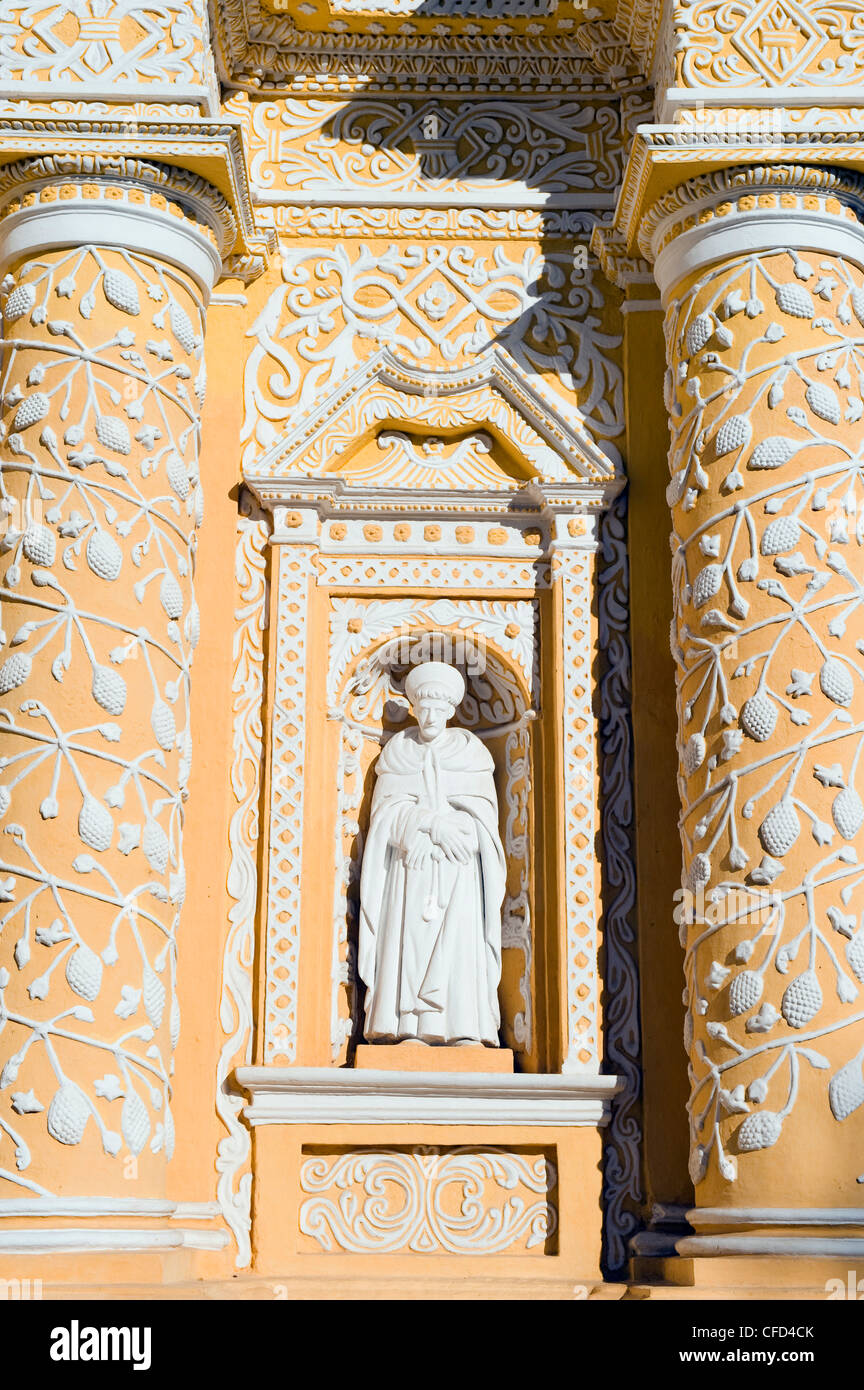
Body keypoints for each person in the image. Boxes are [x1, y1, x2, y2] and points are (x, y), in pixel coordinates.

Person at [358, 660, 505, 1046]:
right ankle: (407, 1026)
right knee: (408, 943)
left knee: (459, 944)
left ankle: (464, 1028)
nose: (430, 717)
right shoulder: (398, 752)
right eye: (423, 709)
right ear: (414, 708)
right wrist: (427, 823)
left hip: (457, 870)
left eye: (439, 710)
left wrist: (462, 832)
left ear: (452, 711)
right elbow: (384, 818)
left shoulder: (471, 753)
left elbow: (485, 822)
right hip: (410, 869)